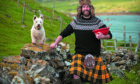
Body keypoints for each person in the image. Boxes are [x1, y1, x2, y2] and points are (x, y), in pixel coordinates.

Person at [50, 0, 113, 84]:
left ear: (91, 8)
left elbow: (109, 35)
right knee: (75, 73)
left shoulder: (97, 22)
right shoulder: (76, 22)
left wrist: (102, 36)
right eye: (84, 7)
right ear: (81, 9)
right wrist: (55, 43)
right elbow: (63, 33)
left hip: (95, 55)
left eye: (87, 7)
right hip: (79, 54)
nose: (86, 8)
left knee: (95, 80)